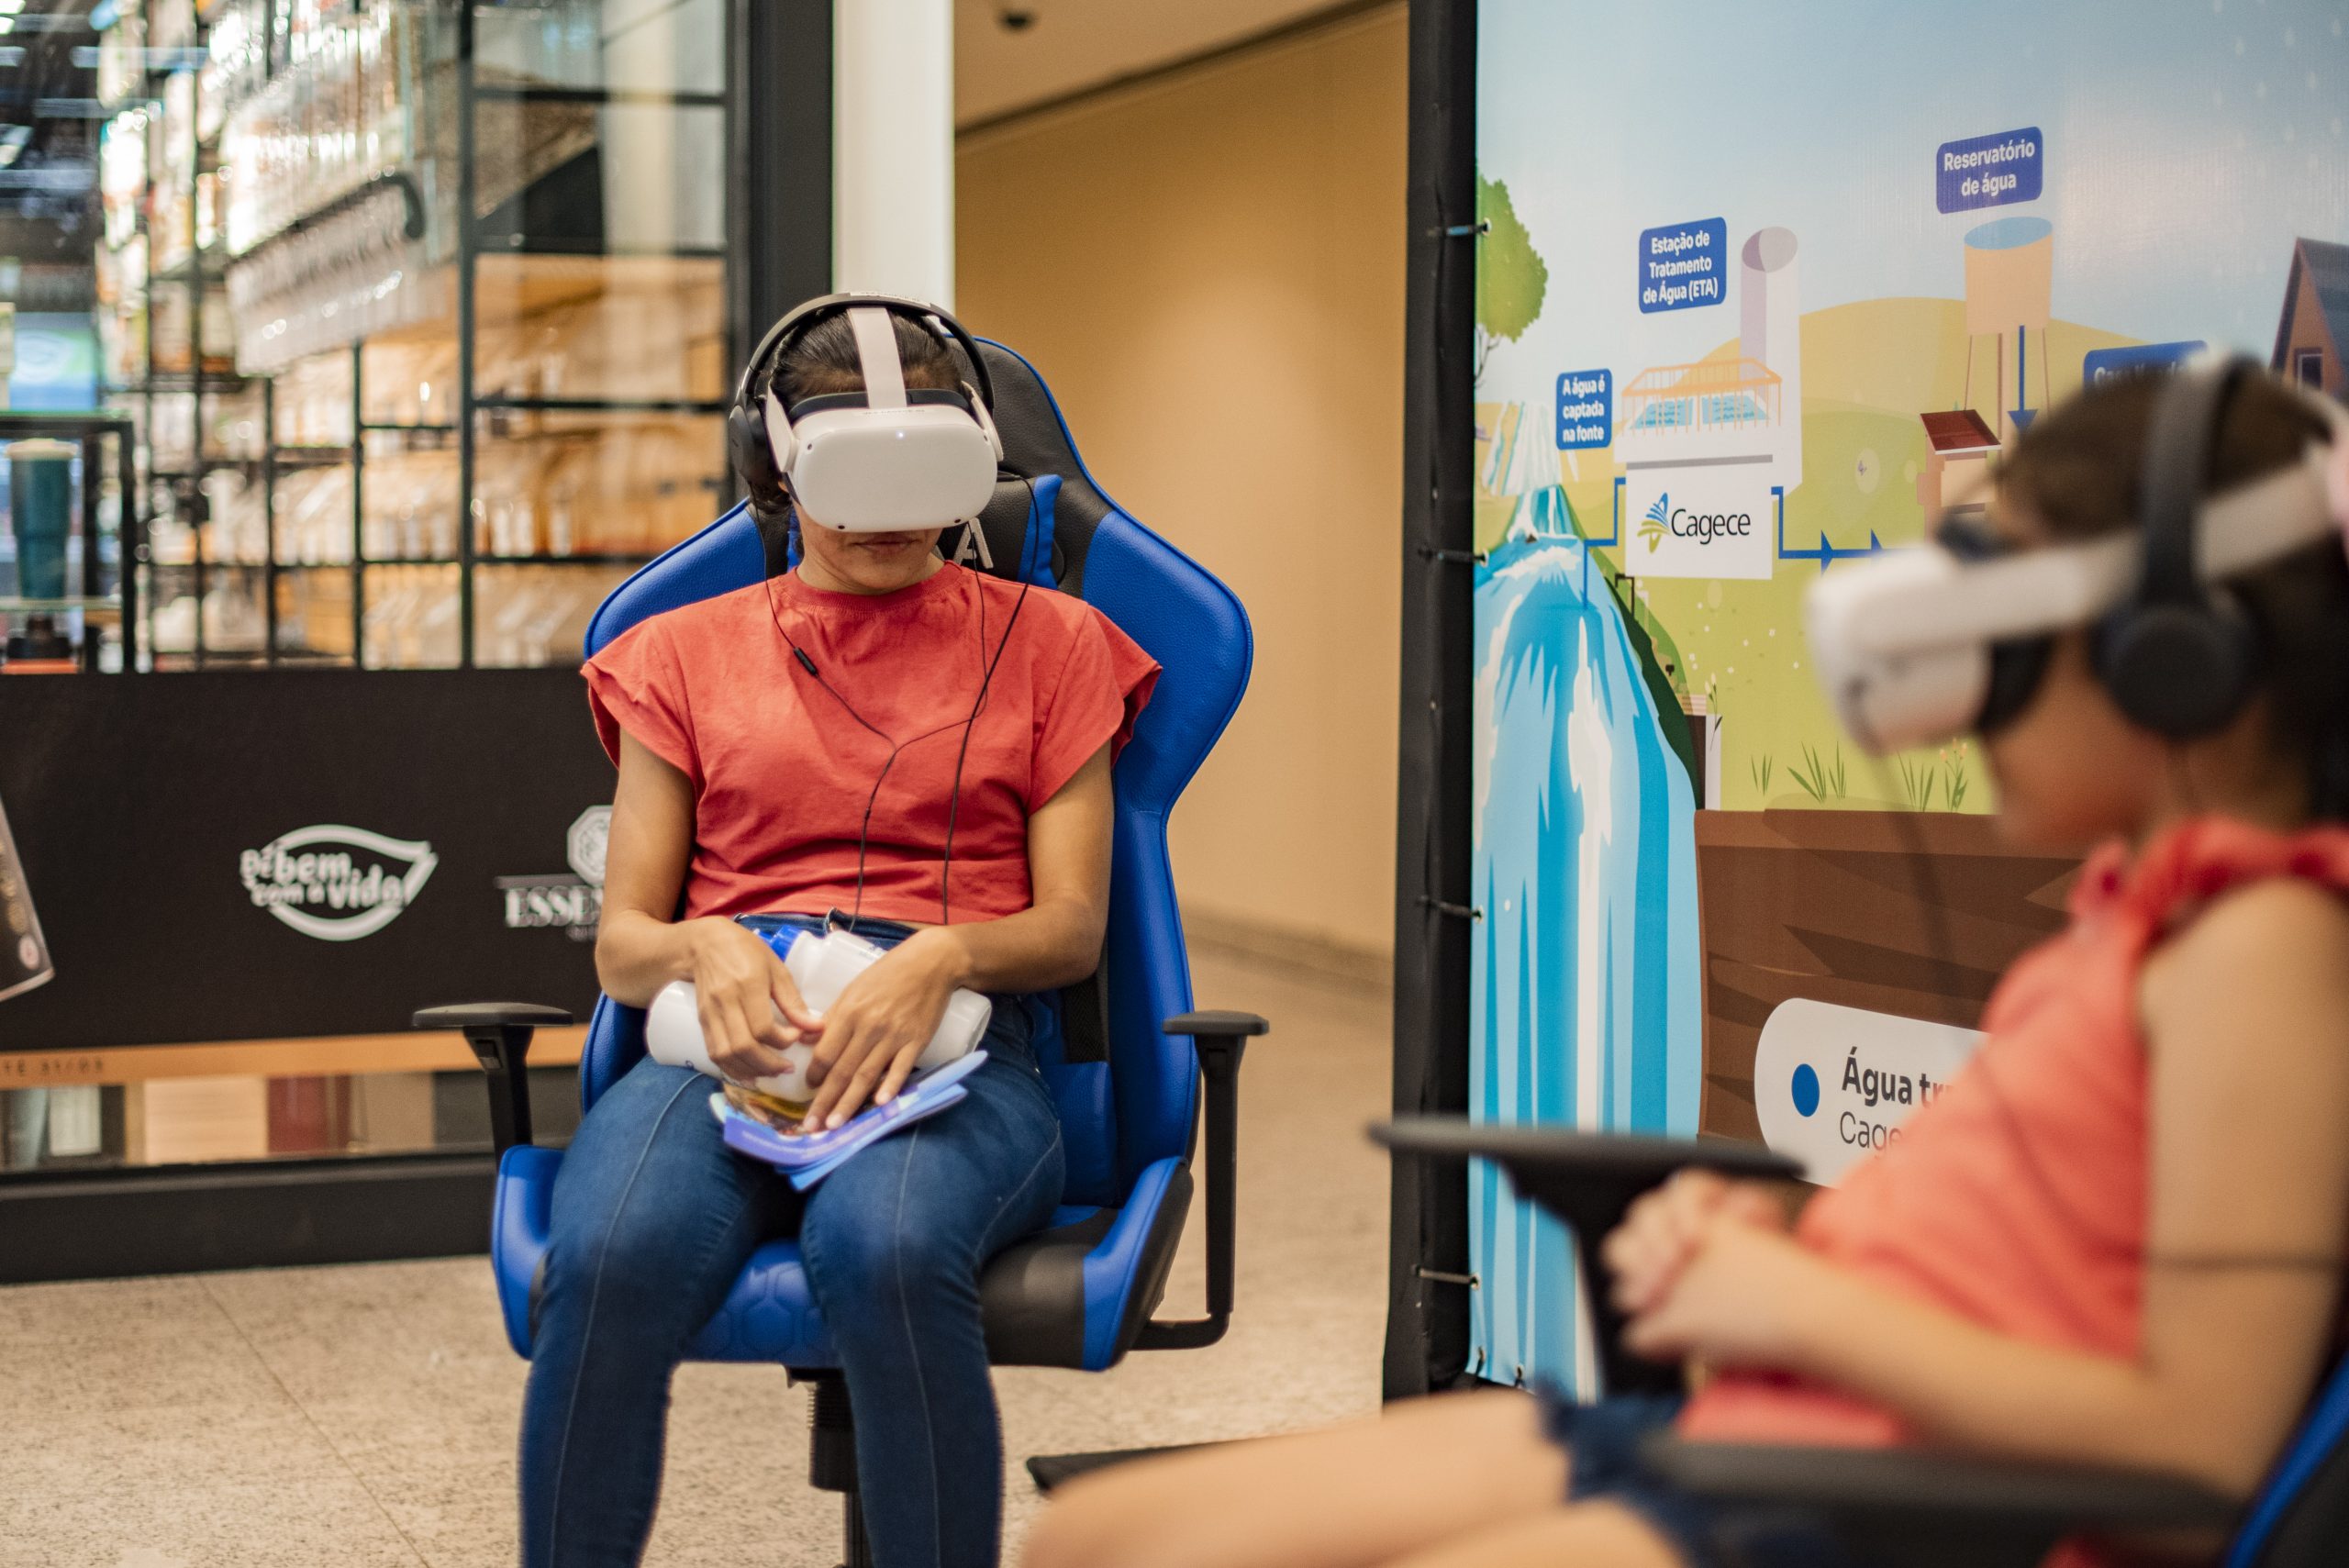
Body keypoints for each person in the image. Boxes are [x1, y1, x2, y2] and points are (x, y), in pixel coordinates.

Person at [1024, 368, 2349, 1568]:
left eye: (2008, 633)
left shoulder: (2267, 949)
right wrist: (1787, 1252)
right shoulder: (2152, 919)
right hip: (1763, 1433)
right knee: (1098, 1542)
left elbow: (2195, 1461)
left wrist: (1801, 1308)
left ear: (2174, 658)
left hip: (1860, 1509)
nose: (1962, 691)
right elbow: (2023, 1264)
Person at [524, 302, 1159, 1568]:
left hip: (960, 1041)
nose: (885, 522)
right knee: (608, 1261)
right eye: (850, 485)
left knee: (888, 1246)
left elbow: (1072, 929)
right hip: (726, 1036)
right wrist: (706, 945)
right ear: (777, 468)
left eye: (918, 481)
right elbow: (625, 944)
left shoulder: (1056, 643)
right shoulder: (676, 655)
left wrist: (945, 954)